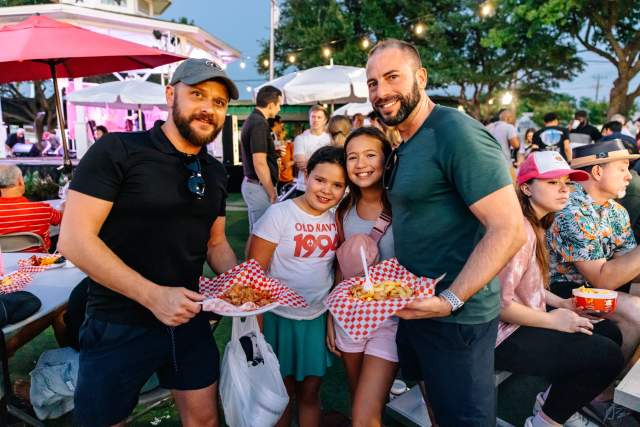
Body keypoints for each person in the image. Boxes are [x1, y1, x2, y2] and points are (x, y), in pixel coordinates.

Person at [57, 58, 239, 427]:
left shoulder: (216, 172)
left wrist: (243, 286)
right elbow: (74, 240)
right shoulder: (118, 151)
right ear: (171, 94)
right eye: (198, 94)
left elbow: (215, 244)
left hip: (189, 319)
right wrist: (153, 296)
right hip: (118, 322)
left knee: (204, 421)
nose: (208, 108)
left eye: (219, 102)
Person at [366, 38, 526, 426]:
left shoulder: (455, 132)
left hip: (458, 319)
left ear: (420, 77)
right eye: (372, 83)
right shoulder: (406, 140)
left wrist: (451, 299)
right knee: (437, 412)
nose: (381, 92)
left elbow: (509, 228)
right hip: (418, 307)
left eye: (392, 77)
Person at [495, 151, 624, 427]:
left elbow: (527, 287)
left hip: (525, 318)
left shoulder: (539, 223)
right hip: (498, 337)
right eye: (553, 183)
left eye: (567, 181)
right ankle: (545, 421)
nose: (565, 189)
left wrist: (563, 305)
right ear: (526, 187)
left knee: (609, 330)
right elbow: (499, 305)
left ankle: (554, 403)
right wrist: (554, 320)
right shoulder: (518, 230)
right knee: (606, 356)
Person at [249, 146, 347, 427]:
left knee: (310, 393)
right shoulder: (279, 215)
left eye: (337, 184)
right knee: (281, 395)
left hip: (315, 320)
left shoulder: (336, 219)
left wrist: (331, 317)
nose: (327, 190)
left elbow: (336, 269)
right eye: (320, 179)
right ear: (306, 175)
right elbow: (253, 275)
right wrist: (255, 333)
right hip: (277, 320)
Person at [325, 127, 397, 426]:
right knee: (360, 400)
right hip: (349, 318)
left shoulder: (403, 204)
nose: (361, 164)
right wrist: (332, 315)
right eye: (352, 157)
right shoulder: (343, 210)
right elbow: (341, 267)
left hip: (391, 320)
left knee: (365, 413)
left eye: (370, 155)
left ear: (386, 158)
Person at [547, 139, 640, 362]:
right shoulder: (570, 210)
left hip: (590, 287)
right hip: (555, 292)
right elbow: (604, 280)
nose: (629, 176)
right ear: (597, 171)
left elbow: (628, 266)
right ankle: (602, 389)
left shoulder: (616, 210)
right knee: (635, 311)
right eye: (622, 168)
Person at [240, 85, 283, 231]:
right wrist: (272, 193)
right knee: (261, 234)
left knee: (257, 232)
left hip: (255, 185)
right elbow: (259, 163)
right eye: (279, 105)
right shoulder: (259, 123)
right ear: (271, 105)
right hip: (259, 187)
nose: (279, 109)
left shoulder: (254, 119)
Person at [0, 165, 62, 252]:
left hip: (3, 263)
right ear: (20, 181)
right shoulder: (43, 210)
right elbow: (63, 220)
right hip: (38, 263)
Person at [293, 105, 331, 195]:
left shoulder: (330, 139)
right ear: (309, 118)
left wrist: (309, 163)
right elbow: (300, 164)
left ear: (325, 120)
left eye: (319, 117)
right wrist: (325, 163)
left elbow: (333, 163)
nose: (316, 120)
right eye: (313, 116)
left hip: (325, 187)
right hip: (304, 186)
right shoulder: (300, 138)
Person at [269, 115, 294, 190]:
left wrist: (288, 164)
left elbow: (295, 159)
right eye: (280, 123)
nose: (282, 125)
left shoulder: (289, 145)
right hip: (275, 177)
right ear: (276, 124)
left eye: (281, 133)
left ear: (284, 133)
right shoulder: (271, 139)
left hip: (287, 178)